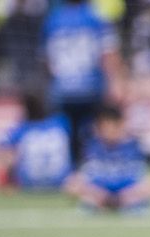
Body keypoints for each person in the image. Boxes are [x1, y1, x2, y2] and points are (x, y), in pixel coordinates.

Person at [43, 0, 123, 164]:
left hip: (63, 88)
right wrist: (115, 81)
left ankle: (70, 170)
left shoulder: (53, 20)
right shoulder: (97, 17)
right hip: (90, 86)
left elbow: (47, 60)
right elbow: (109, 53)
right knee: (93, 133)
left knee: (67, 135)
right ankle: (95, 168)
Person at [62, 102, 150, 212]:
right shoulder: (91, 146)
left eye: (113, 126)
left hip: (127, 189)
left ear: (121, 125)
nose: (109, 131)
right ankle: (107, 203)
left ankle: (121, 203)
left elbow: (141, 176)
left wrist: (126, 195)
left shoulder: (133, 145)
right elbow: (84, 175)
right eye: (105, 127)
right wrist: (98, 193)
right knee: (71, 183)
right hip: (100, 189)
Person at [0, 92, 73, 193]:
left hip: (28, 184)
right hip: (62, 182)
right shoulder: (62, 122)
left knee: (6, 157)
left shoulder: (22, 128)